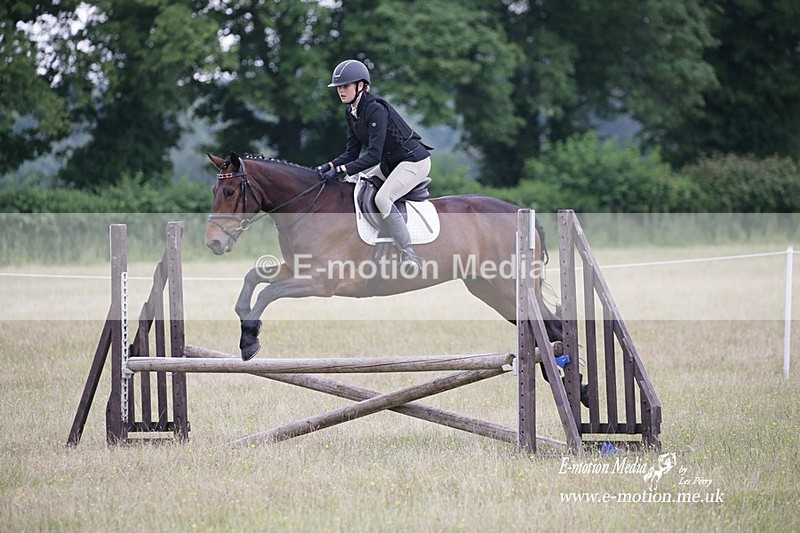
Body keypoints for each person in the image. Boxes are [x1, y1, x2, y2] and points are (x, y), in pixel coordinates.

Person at [317, 59, 432, 272]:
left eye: (345, 86)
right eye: (339, 87)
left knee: (382, 198)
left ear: (360, 86)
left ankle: (410, 256)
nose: (341, 91)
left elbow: (373, 156)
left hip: (413, 161)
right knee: (359, 187)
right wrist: (328, 165)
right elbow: (351, 153)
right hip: (392, 164)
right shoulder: (352, 112)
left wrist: (341, 170)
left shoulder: (375, 109)